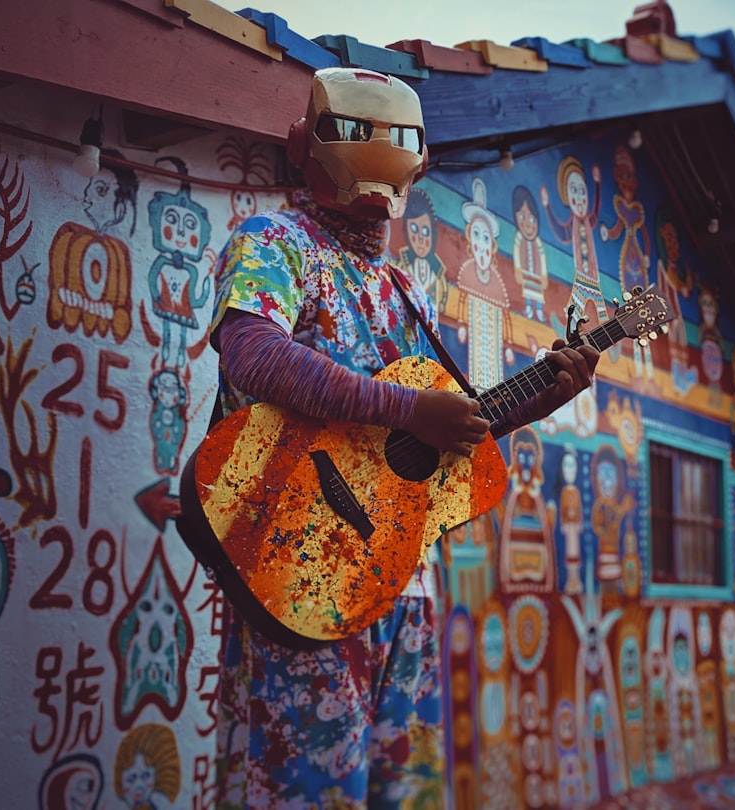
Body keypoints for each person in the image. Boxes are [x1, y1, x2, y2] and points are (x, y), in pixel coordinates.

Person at [208, 67, 599, 809]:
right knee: (305, 792)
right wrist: (407, 410)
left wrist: (543, 394)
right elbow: (251, 354)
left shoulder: (405, 289)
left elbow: (445, 428)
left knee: (405, 793)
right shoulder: (274, 242)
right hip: (304, 568)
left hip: (407, 579)